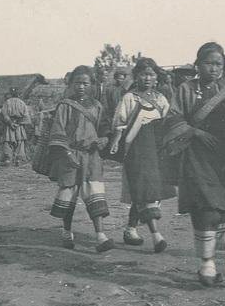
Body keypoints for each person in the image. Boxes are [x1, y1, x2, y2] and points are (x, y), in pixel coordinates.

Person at [163, 42, 225, 287]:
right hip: (194, 156)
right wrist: (195, 133)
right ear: (198, 65)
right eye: (209, 63)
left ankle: (209, 261)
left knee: (218, 208)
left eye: (218, 64)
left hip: (219, 159)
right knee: (203, 207)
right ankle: (207, 264)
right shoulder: (185, 89)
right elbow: (173, 118)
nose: (214, 68)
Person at [109, 58, 175, 252]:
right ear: (136, 76)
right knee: (145, 190)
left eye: (151, 74)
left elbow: (168, 122)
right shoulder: (130, 98)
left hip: (156, 149)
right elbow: (120, 123)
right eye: (144, 74)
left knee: (150, 192)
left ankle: (130, 229)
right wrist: (115, 142)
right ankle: (156, 236)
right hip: (136, 149)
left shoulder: (160, 99)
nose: (148, 78)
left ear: (156, 77)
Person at [48, 66, 115, 252]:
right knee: (69, 195)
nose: (81, 87)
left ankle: (100, 236)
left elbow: (104, 128)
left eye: (85, 83)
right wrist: (67, 154)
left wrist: (104, 139)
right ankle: (67, 231)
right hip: (70, 155)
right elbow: (58, 130)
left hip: (91, 156)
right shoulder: (65, 106)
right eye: (77, 83)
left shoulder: (97, 106)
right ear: (71, 84)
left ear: (92, 85)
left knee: (94, 193)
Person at [0, 87, 31, 166]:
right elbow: (26, 117)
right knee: (19, 142)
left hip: (9, 126)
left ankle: (8, 160)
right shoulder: (22, 103)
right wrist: (20, 123)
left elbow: (4, 115)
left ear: (10, 93)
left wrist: (10, 123)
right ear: (18, 94)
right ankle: (18, 160)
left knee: (8, 142)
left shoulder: (7, 102)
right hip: (19, 126)